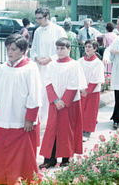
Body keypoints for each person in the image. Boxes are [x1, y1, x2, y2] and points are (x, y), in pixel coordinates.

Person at [0, 34, 42, 185]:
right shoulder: (3, 67)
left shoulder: (30, 67)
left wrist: (30, 118)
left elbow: (34, 95)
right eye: (8, 49)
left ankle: (17, 179)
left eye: (14, 49)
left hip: (20, 117)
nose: (10, 52)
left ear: (23, 50)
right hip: (2, 115)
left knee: (19, 153)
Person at [39, 37, 87, 169]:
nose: (59, 51)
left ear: (69, 49)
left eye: (63, 48)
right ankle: (50, 159)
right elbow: (47, 83)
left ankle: (66, 158)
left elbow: (74, 84)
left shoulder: (74, 65)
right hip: (55, 103)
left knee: (67, 130)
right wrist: (55, 100)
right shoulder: (52, 65)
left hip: (69, 103)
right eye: (58, 48)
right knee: (51, 129)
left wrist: (64, 102)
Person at [30, 7, 67, 124]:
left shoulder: (58, 30)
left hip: (55, 68)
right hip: (41, 68)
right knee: (41, 94)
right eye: (36, 19)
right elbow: (33, 49)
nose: (38, 21)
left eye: (40, 18)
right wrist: (37, 58)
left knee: (53, 94)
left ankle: (52, 122)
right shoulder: (37, 31)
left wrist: (50, 58)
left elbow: (65, 50)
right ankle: (41, 121)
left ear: (47, 17)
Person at [78, 39, 104, 138]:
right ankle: (80, 129)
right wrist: (81, 88)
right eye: (86, 47)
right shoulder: (80, 61)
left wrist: (88, 90)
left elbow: (96, 78)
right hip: (81, 90)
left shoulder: (98, 63)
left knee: (90, 111)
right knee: (81, 110)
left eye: (90, 47)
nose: (87, 49)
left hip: (92, 91)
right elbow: (78, 75)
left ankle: (87, 131)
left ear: (95, 48)